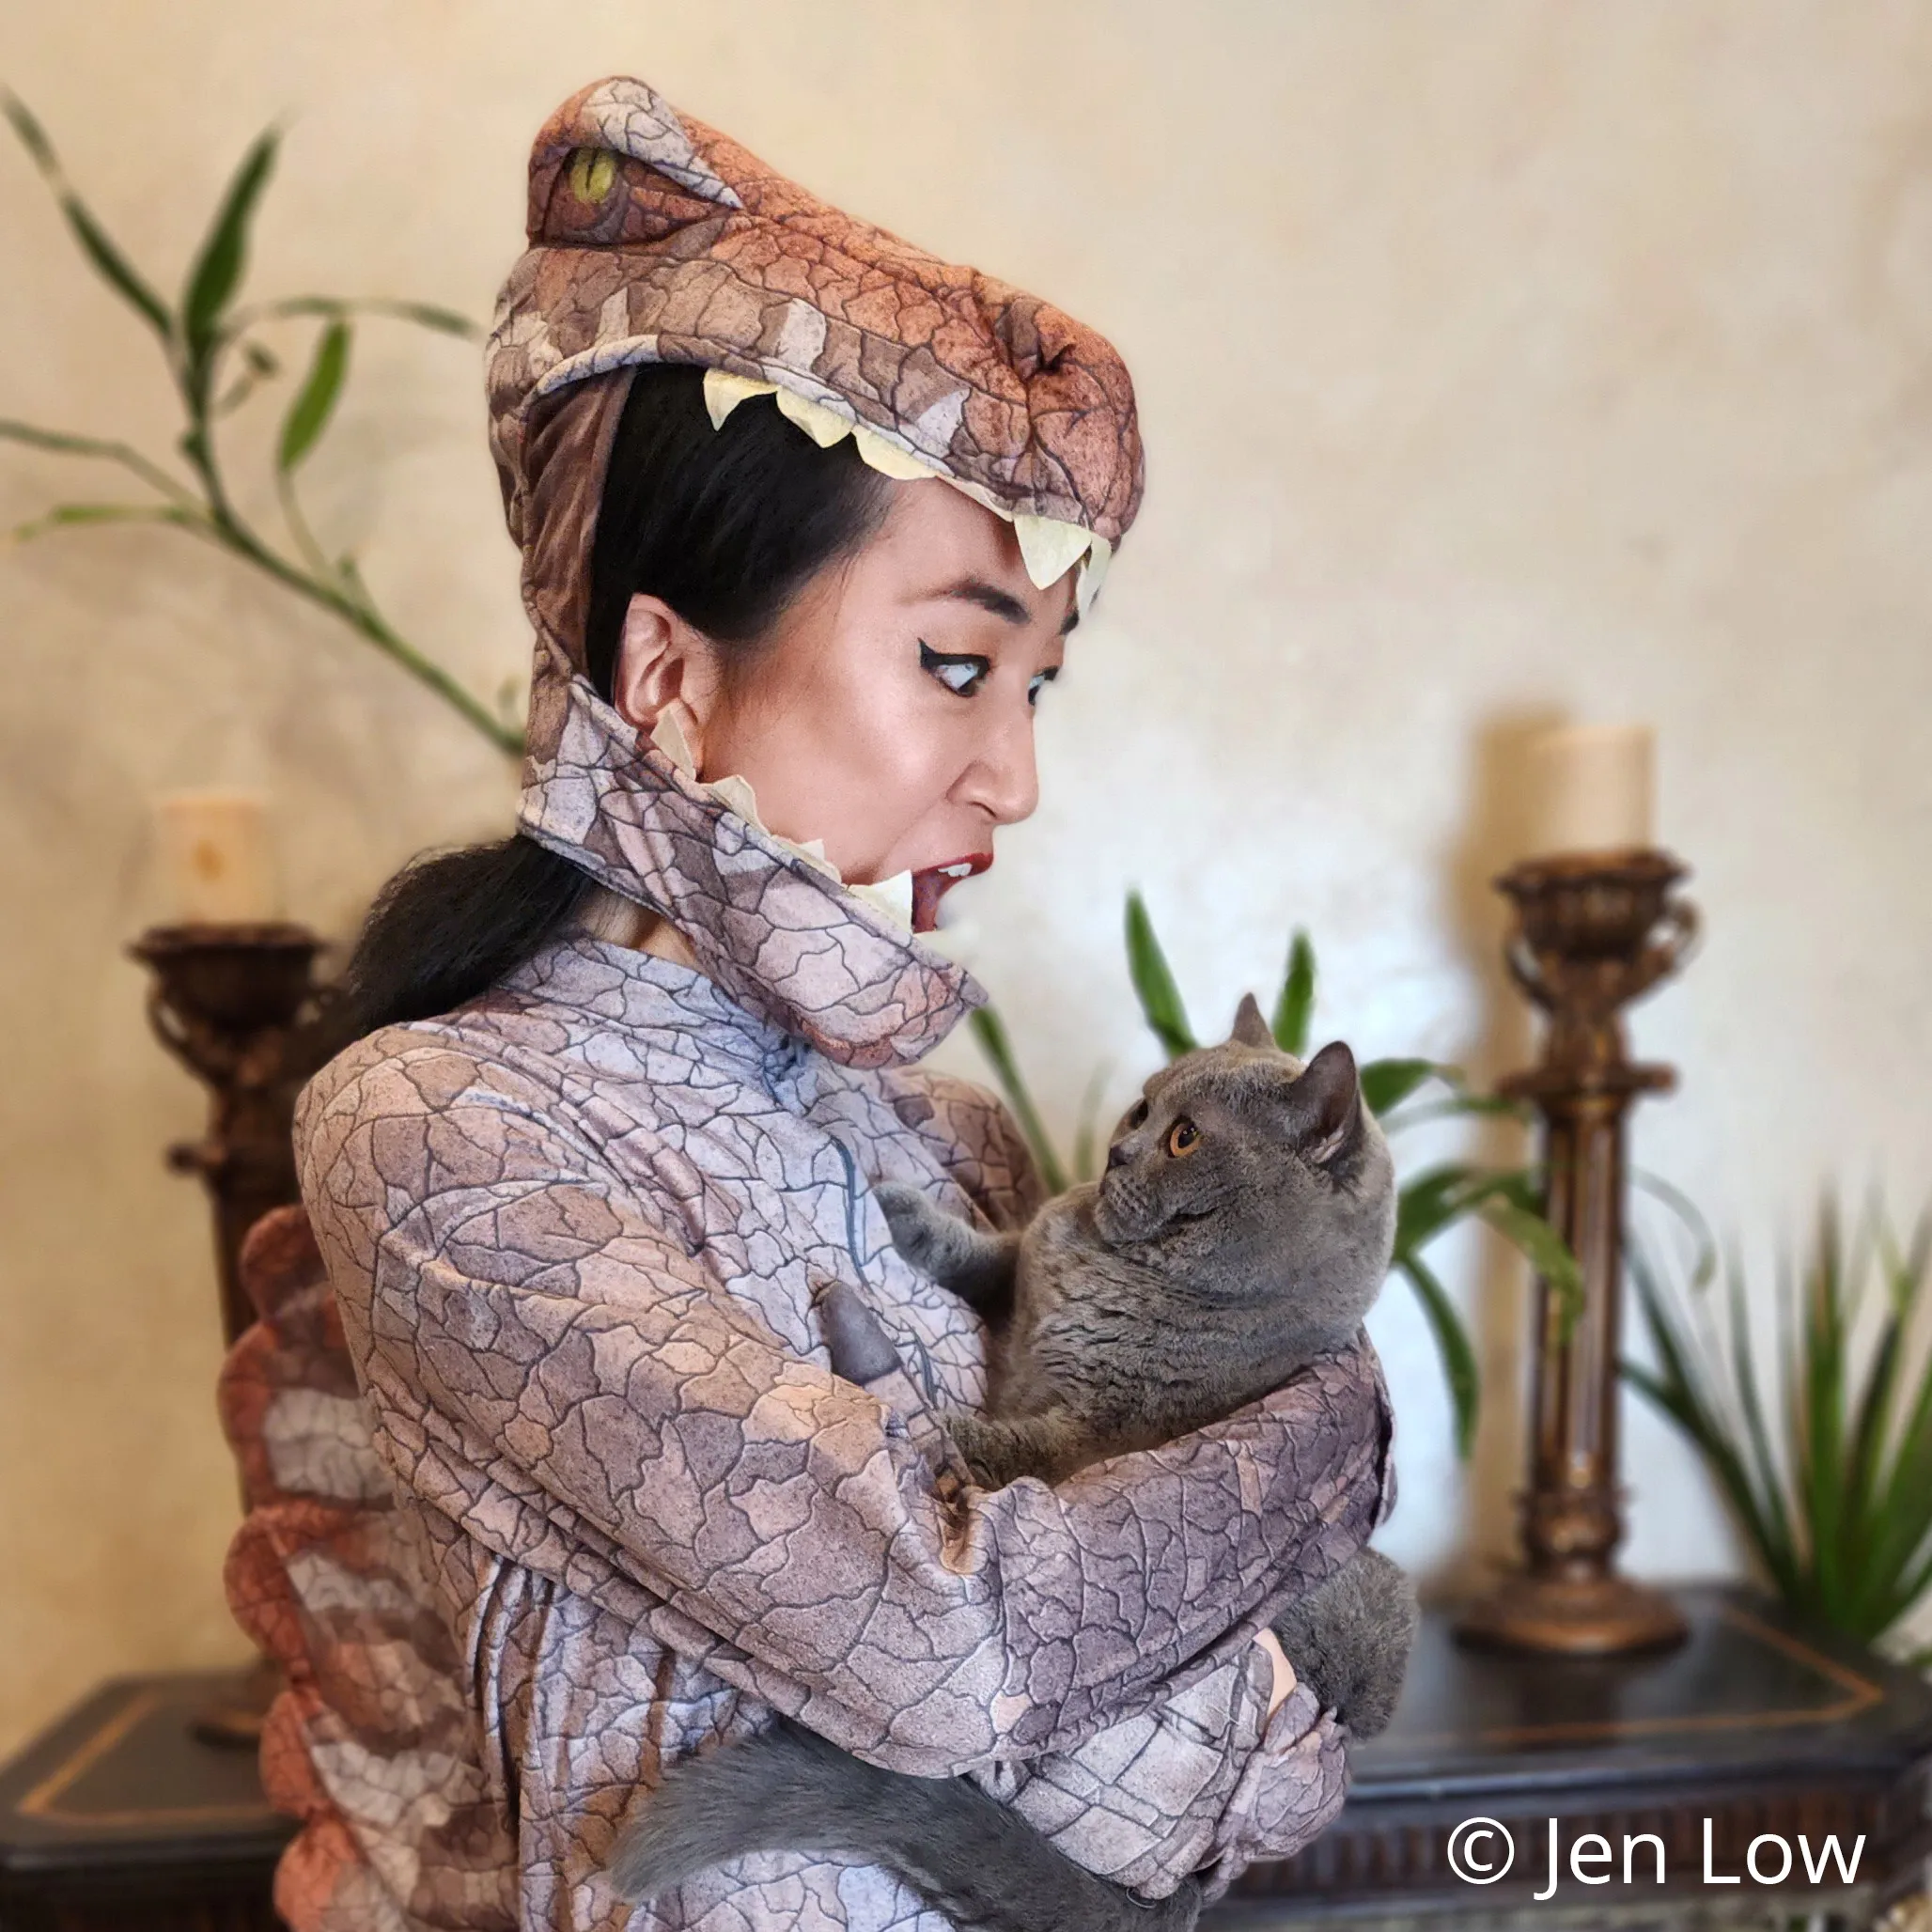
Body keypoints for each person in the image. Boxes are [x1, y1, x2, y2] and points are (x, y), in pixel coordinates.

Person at [225, 76, 1394, 1932]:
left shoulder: (956, 1140)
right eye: (956, 665)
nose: (1014, 778)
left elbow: (1266, 1782)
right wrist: (1335, 1428)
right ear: (666, 676)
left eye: (1037, 688)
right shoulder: (445, 1129)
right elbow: (950, 1649)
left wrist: (1162, 1642)